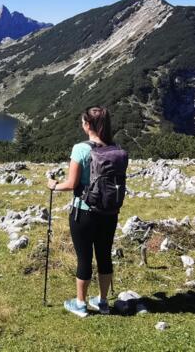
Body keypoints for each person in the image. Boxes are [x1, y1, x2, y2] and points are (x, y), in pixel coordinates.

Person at [47, 106, 120, 317]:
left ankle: (80, 304)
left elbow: (71, 184)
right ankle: (103, 302)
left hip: (84, 212)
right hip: (109, 212)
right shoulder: (115, 148)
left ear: (88, 125)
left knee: (84, 258)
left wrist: (53, 185)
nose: (82, 125)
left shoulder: (80, 149)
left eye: (82, 122)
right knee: (104, 256)